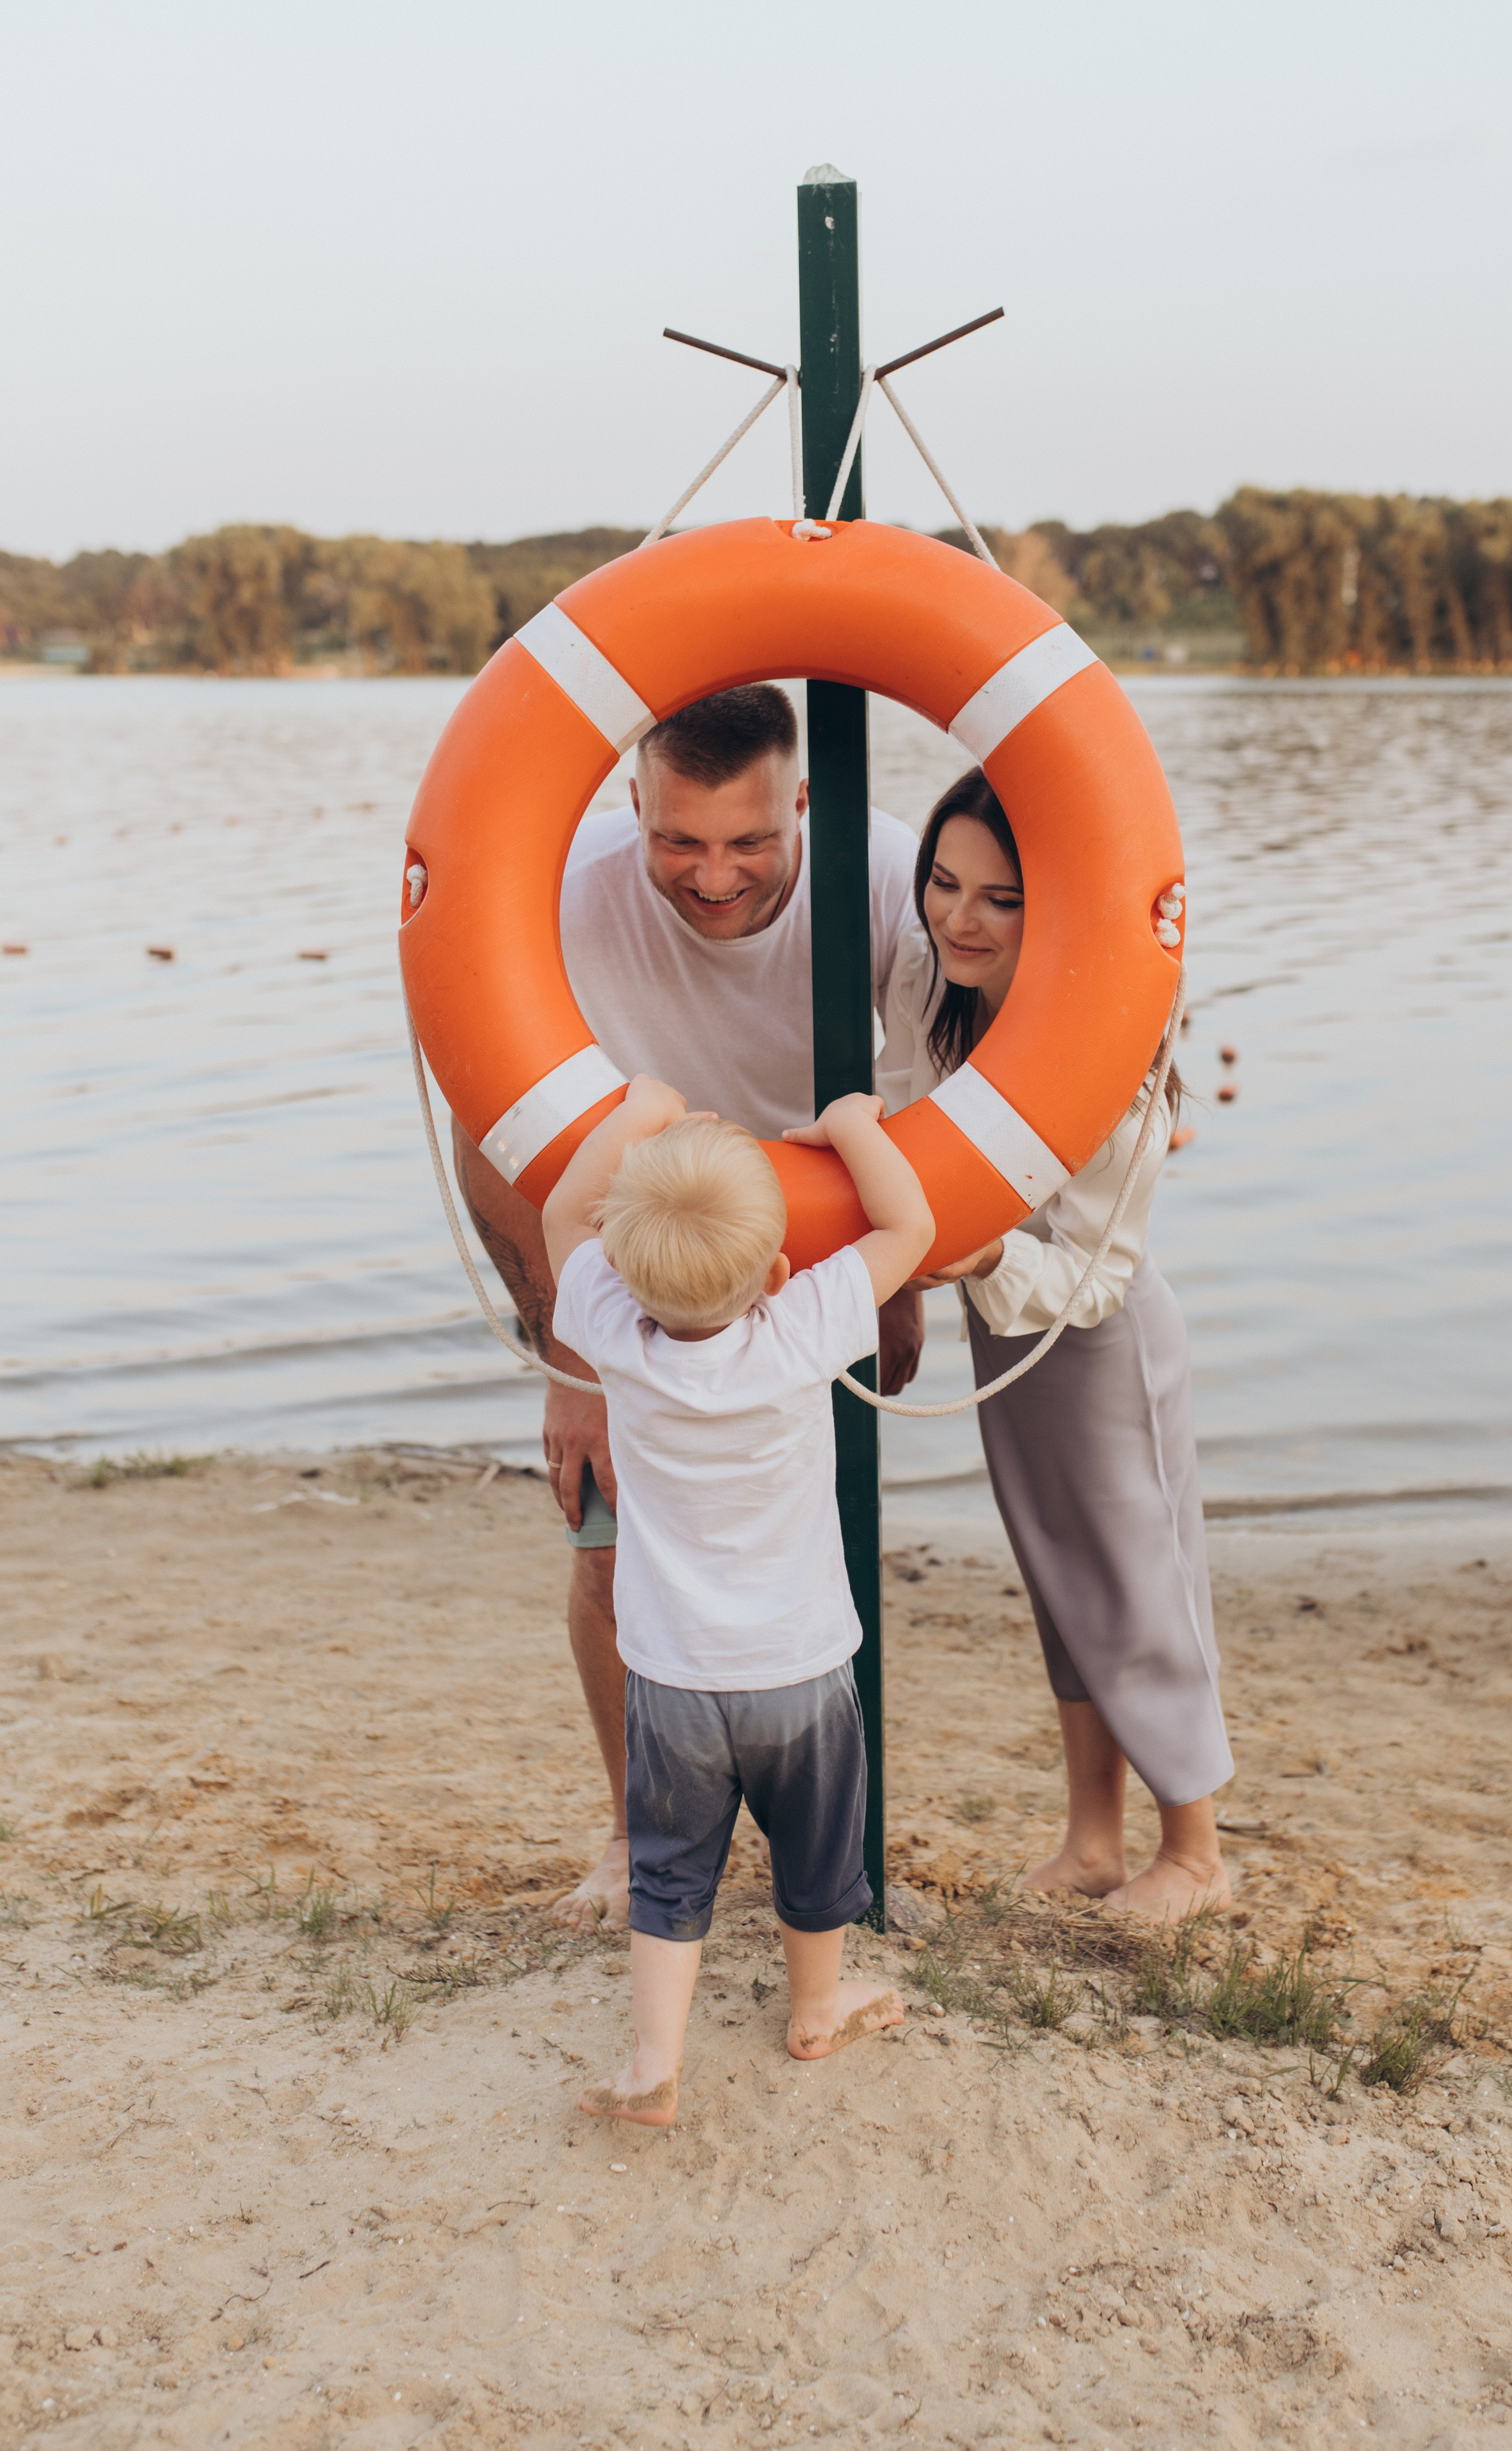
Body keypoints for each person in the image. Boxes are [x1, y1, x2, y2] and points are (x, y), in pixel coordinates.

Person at [451, 684, 924, 1931]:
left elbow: (944, 1091)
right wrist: (570, 1360)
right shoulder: (569, 893)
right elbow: (491, 1135)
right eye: (678, 840)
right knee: (611, 1556)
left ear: (802, 804)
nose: (713, 877)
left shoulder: (881, 874)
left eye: (749, 842)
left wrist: (901, 1277)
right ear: (631, 805)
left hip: (805, 1259)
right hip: (624, 1268)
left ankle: (826, 1871)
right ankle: (633, 1838)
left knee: (813, 1562)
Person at [542, 1074, 933, 2125]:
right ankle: (818, 2007)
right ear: (775, 1269)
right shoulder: (802, 1326)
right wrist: (851, 1124)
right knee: (816, 1850)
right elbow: (912, 1223)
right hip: (801, 1671)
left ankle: (654, 2063)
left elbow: (557, 1214)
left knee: (670, 1871)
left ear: (618, 1270)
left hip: (672, 1676)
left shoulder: (613, 1331)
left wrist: (642, 1111)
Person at [878, 768, 1234, 1922]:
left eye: (1000, 899)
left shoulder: (1107, 1032)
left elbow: (1102, 1273)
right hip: (1006, 1348)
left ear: (1058, 906)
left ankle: (1196, 1852)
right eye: (943, 883)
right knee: (1064, 1584)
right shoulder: (951, 1010)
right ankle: (1094, 1840)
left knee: (1142, 1590)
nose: (958, 919)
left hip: (1103, 1347)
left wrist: (979, 1261)